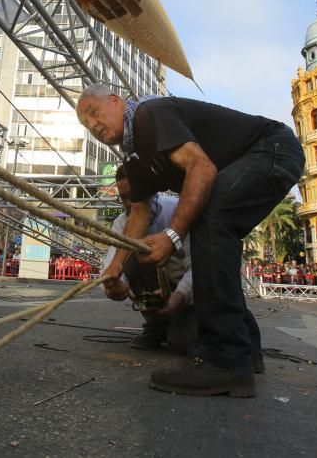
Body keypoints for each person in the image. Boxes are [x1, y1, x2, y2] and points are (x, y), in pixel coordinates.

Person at [76, 85, 304, 397]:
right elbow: (139, 213)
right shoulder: (134, 157)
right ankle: (244, 350)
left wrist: (172, 235)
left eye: (93, 112)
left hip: (271, 148)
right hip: (262, 156)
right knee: (215, 227)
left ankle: (225, 360)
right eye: (86, 125)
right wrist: (115, 269)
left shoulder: (149, 114)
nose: (93, 126)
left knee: (210, 218)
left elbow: (201, 167)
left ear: (116, 101)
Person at [103, 165, 195, 352]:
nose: (129, 204)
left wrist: (178, 296)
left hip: (188, 293)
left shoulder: (178, 211)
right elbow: (112, 263)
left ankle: (183, 322)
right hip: (156, 289)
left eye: (134, 195)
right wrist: (114, 283)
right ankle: (156, 324)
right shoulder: (121, 223)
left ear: (150, 191)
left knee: (185, 342)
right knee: (127, 257)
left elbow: (200, 267)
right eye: (124, 197)